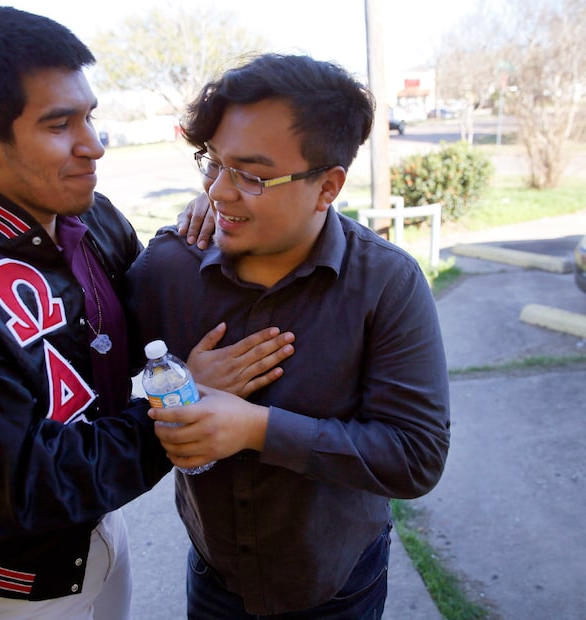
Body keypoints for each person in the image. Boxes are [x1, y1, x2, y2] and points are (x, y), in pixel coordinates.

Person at [0, 4, 294, 619]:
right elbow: (28, 485)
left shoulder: (87, 216)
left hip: (98, 529)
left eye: (90, 116)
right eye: (60, 124)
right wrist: (183, 402)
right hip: (7, 586)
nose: (93, 145)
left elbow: (144, 321)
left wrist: (204, 225)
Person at [126, 53, 451, 618]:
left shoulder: (385, 284)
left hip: (339, 585)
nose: (221, 192)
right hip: (215, 576)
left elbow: (416, 456)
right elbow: (80, 380)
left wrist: (258, 428)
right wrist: (179, 389)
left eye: (250, 175)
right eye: (213, 164)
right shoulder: (170, 266)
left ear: (328, 186)